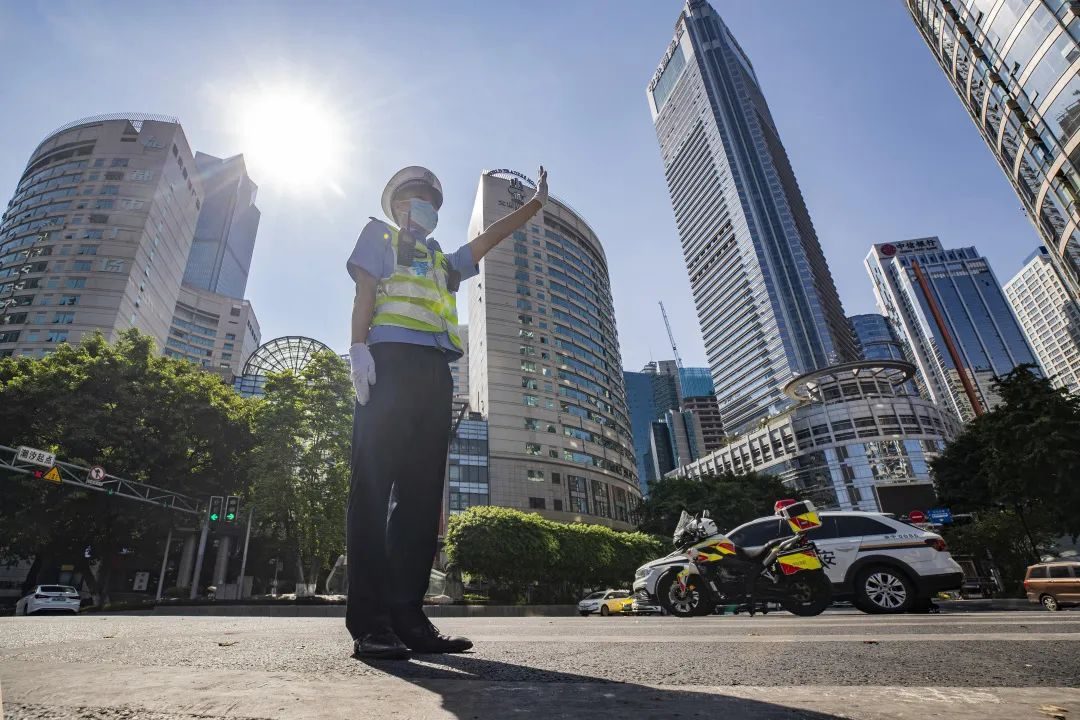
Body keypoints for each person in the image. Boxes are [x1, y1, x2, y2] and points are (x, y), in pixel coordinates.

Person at [345, 164, 549, 660]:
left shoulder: (441, 258)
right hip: (388, 363)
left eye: (432, 202)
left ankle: (407, 618)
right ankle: (370, 624)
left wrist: (534, 205)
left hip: (437, 373)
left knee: (419, 501)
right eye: (416, 198)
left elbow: (486, 241)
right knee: (373, 493)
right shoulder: (380, 236)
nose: (425, 208)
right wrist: (357, 349)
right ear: (396, 205)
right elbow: (365, 293)